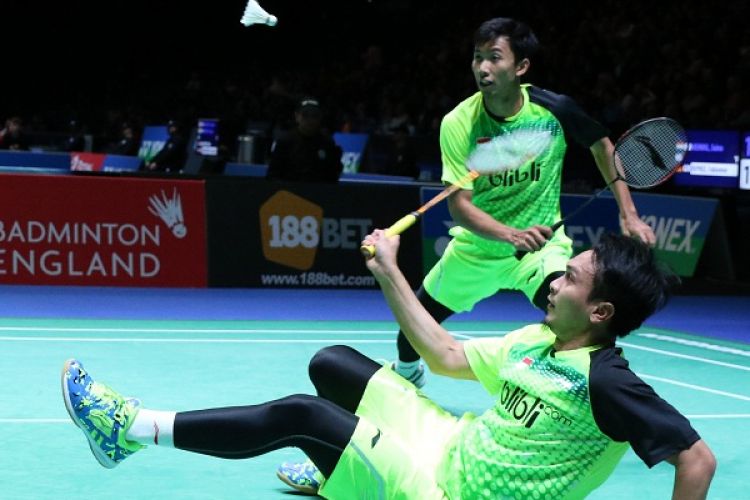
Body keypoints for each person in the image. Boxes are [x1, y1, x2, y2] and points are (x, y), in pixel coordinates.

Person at [62, 231, 716, 499]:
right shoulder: (535, 339)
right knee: (334, 364)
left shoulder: (605, 380)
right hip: (449, 446)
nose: (555, 283)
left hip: (450, 494)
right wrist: (387, 269)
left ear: (599, 313)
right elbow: (447, 355)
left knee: (302, 414)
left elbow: (697, 460)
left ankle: (129, 430)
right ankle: (338, 473)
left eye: (570, 280)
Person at [383, 17, 657, 390]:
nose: (483, 67)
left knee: (574, 315)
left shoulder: (554, 110)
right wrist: (511, 234)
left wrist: (629, 214)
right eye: (478, 57)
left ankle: (602, 390)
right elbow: (459, 206)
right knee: (411, 329)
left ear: (521, 67)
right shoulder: (460, 122)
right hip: (477, 251)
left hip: (539, 250)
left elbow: (602, 144)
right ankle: (407, 376)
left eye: (495, 57)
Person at [265, 97, 344, 183]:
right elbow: (272, 176)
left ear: (320, 118)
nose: (310, 120)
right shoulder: (285, 142)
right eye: (305, 115)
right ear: (297, 116)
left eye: (315, 116)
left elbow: (333, 177)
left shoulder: (327, 144)